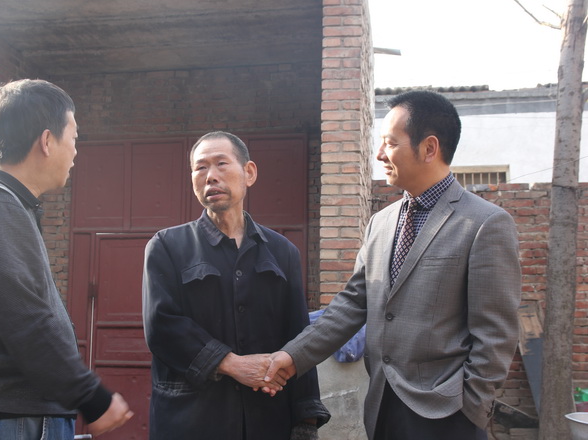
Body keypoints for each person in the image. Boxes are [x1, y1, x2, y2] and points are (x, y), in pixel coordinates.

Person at [265, 91, 521, 440]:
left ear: (429, 148)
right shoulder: (381, 223)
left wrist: (470, 408)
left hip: (448, 413)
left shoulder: (484, 223)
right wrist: (292, 357)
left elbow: (496, 334)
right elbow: (351, 305)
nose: (379, 154)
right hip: (382, 405)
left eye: (390, 143)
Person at [0, 79, 133, 439]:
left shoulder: (4, 205)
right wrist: (91, 397)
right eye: (73, 138)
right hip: (14, 422)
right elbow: (26, 318)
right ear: (46, 141)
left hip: (17, 420)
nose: (75, 152)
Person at [142, 131, 330, 440]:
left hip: (267, 420)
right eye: (200, 167)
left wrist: (306, 420)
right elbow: (161, 326)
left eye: (221, 163)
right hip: (190, 421)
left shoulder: (282, 252)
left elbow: (299, 338)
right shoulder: (167, 246)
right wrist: (229, 363)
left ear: (249, 173)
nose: (210, 176)